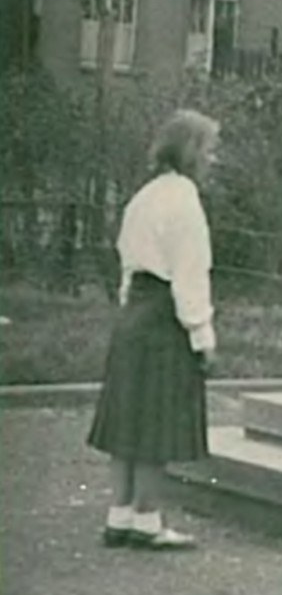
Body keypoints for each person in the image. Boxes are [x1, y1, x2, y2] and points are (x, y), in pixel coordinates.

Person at [88, 108, 220, 549]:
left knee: (128, 418)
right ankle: (147, 520)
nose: (213, 160)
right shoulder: (185, 201)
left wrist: (130, 310)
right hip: (165, 315)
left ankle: (119, 514)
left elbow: (127, 261)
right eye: (209, 150)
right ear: (191, 152)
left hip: (135, 313)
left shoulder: (143, 197)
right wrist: (202, 337)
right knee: (154, 421)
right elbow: (189, 275)